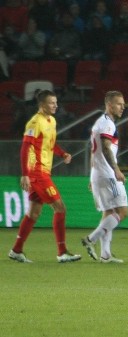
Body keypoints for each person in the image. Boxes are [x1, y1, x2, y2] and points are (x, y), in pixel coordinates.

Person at [8, 90, 81, 263]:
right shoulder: (35, 122)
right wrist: (25, 174)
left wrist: (62, 154)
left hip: (43, 172)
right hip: (37, 173)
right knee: (60, 208)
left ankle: (16, 250)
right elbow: (25, 148)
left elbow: (50, 143)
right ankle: (62, 252)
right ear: (42, 105)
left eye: (56, 102)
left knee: (33, 213)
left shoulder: (51, 120)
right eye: (51, 103)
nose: (56, 105)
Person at [79, 91, 128, 263]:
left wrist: (91, 177)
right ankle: (90, 239)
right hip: (108, 174)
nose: (123, 107)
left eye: (123, 104)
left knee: (109, 212)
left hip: (98, 173)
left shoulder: (99, 123)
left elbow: (94, 152)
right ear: (109, 104)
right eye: (119, 104)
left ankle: (105, 254)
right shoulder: (108, 124)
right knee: (122, 212)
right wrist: (116, 169)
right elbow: (106, 147)